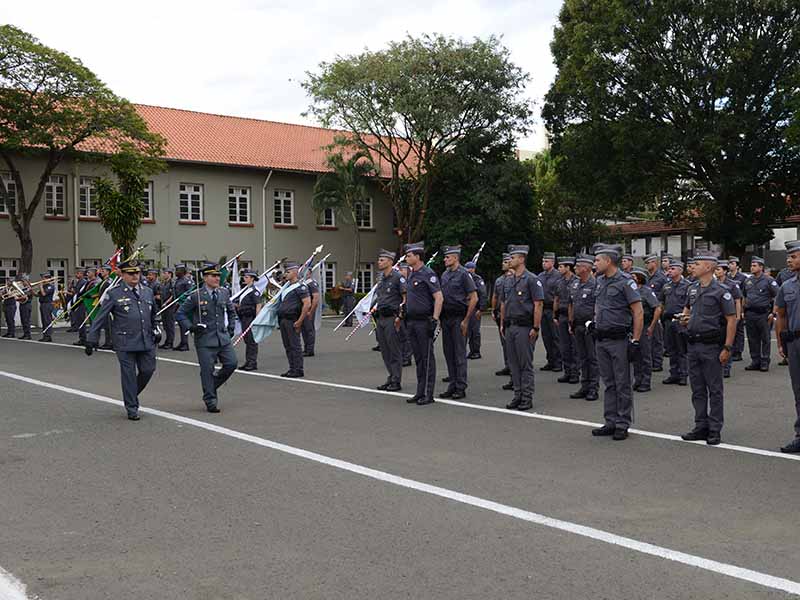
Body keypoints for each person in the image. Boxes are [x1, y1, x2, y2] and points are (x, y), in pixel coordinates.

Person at [84, 259, 158, 421]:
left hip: (146, 339)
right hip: (125, 341)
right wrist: (92, 338)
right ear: (123, 275)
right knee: (129, 375)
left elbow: (153, 315)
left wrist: (156, 329)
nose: (135, 276)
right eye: (131, 273)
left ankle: (130, 393)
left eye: (137, 273)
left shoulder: (147, 291)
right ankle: (132, 407)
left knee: (148, 370)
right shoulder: (114, 293)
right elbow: (100, 317)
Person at [678, 252, 736, 445]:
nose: (693, 266)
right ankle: (700, 425)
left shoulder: (721, 290)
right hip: (693, 344)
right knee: (697, 389)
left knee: (715, 389)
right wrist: (684, 319)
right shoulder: (692, 288)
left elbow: (731, 320)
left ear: (709, 267)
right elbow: (686, 309)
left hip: (711, 346)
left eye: (698, 263)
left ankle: (714, 428)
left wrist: (727, 347)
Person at [590, 244, 643, 441]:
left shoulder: (625, 281)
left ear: (608, 261)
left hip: (619, 339)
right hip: (601, 338)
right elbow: (598, 305)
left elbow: (638, 311)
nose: (594, 264)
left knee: (622, 383)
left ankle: (622, 423)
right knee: (609, 383)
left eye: (597, 260)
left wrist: (636, 341)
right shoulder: (600, 281)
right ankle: (610, 421)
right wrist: (594, 323)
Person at [176, 263, 238, 413]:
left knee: (231, 364)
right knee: (207, 370)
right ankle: (210, 400)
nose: (217, 278)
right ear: (205, 278)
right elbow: (180, 314)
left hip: (222, 338)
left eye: (218, 276)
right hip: (204, 339)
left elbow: (231, 311)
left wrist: (231, 328)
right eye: (213, 276)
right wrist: (191, 327)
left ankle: (211, 386)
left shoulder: (223, 292)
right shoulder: (196, 295)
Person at [500, 244, 544, 411]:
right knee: (513, 363)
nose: (510, 260)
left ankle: (526, 397)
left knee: (525, 364)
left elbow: (538, 304)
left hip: (525, 327)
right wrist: (503, 323)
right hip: (511, 326)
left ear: (522, 259)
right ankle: (517, 395)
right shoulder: (509, 280)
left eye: (513, 257)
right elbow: (504, 303)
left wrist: (536, 327)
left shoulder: (532, 279)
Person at [402, 242, 443, 406]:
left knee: (426, 358)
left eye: (409, 255)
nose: (406, 258)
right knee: (418, 358)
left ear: (418, 257)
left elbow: (439, 297)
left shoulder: (428, 274)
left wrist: (434, 319)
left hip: (423, 321)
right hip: (411, 321)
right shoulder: (411, 274)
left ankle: (428, 393)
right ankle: (420, 391)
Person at [439, 245, 477, 400]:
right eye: (445, 257)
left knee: (459, 354)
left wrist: (466, 320)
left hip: (458, 318)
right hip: (446, 318)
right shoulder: (445, 275)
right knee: (449, 353)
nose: (445, 259)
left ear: (455, 258)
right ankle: (452, 384)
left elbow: (474, 298)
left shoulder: (464, 274)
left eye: (448, 257)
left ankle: (461, 387)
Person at [775, 240, 800, 453]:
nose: (789, 260)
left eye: (793, 256)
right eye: (788, 257)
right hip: (795, 343)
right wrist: (781, 343)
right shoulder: (787, 285)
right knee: (798, 391)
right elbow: (780, 315)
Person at [370, 249, 406, 391]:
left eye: (382, 260)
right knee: (385, 350)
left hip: (392, 318)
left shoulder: (398, 277)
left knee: (394, 350)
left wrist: (400, 317)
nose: (379, 262)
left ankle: (396, 380)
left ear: (390, 262)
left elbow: (405, 298)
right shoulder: (381, 279)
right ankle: (391, 376)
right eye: (379, 260)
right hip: (381, 318)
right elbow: (381, 298)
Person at [568, 254, 599, 401]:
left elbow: (598, 307)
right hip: (578, 325)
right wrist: (571, 322)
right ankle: (584, 385)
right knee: (582, 357)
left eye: (578, 266)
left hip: (589, 327)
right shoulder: (575, 284)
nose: (575, 268)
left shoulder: (595, 285)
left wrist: (594, 323)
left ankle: (593, 387)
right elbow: (572, 304)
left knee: (592, 358)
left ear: (586, 268)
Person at [654, 260, 690, 386]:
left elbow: (690, 305)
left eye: (673, 269)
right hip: (668, 321)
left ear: (680, 270)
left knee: (682, 349)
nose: (669, 271)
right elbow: (661, 303)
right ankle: (674, 374)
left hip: (681, 320)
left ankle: (683, 374)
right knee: (671, 348)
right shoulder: (666, 286)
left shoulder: (687, 286)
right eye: (669, 269)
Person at [275, 261, 311, 378]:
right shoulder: (287, 286)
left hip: (293, 319)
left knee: (295, 346)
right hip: (284, 320)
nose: (286, 274)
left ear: (295, 272)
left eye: (288, 271)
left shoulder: (301, 287)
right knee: (288, 346)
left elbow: (307, 304)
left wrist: (300, 321)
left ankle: (298, 369)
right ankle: (292, 368)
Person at [742, 256, 778, 372]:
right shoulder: (748, 280)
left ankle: (764, 361)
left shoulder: (769, 280)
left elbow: (777, 296)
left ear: (761, 267)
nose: (751, 268)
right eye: (751, 265)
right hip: (750, 314)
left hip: (764, 314)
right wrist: (743, 311)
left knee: (765, 338)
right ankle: (755, 361)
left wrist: (773, 313)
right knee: (752, 338)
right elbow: (744, 296)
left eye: (754, 265)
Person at [632, 267, 659, 393]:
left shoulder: (646, 291)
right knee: (636, 355)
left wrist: (652, 326)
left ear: (639, 278)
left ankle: (646, 381)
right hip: (632, 326)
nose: (631, 277)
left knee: (645, 355)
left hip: (644, 325)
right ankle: (638, 379)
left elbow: (657, 308)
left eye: (633, 276)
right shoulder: (631, 290)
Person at [715, 261, 742, 378]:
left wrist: (738, 315)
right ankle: (717, 366)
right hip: (716, 318)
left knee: (727, 342)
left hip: (728, 317)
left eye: (719, 269)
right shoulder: (713, 284)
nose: (717, 271)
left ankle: (726, 367)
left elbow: (737, 300)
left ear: (725, 271)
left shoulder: (731, 284)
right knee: (716, 343)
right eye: (715, 269)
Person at [554, 256, 579, 384]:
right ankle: (567, 371)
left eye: (561, 266)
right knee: (564, 346)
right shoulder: (560, 281)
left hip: (573, 317)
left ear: (568, 267)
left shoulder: (577, 281)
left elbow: (576, 302)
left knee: (574, 346)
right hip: (562, 316)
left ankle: (575, 372)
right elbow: (556, 299)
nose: (559, 269)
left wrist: (572, 320)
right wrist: (555, 315)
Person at [235, 269, 263, 371]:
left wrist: (257, 319)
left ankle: (252, 362)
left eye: (246, 277)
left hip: (250, 318)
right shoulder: (245, 290)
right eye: (244, 277)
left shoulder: (254, 291)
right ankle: (248, 362)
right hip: (244, 318)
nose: (244, 278)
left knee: (251, 341)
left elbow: (258, 305)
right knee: (247, 340)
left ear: (252, 279)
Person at [538, 252, 562, 371]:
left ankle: (558, 361)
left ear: (552, 262)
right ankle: (550, 360)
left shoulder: (558, 276)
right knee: (546, 336)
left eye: (546, 261)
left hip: (552, 308)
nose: (544, 263)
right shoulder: (540, 276)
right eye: (543, 261)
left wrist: (556, 312)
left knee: (555, 336)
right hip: (543, 308)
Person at [644, 254, 667, 372]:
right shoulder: (646, 277)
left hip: (657, 310)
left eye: (649, 262)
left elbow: (666, 294)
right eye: (646, 263)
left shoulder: (661, 277)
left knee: (657, 338)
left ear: (655, 263)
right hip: (647, 311)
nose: (647, 265)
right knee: (648, 338)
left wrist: (662, 310)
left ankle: (657, 362)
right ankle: (651, 360)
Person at [492, 253, 513, 382]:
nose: (503, 264)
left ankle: (514, 369)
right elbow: (495, 296)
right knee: (504, 342)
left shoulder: (515, 278)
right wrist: (494, 310)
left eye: (505, 262)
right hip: (501, 314)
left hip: (513, 315)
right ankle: (508, 365)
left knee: (512, 344)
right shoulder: (499, 280)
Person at [728, 256, 748, 361]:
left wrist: (742, 311)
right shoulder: (726, 277)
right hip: (728, 306)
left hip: (738, 306)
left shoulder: (742, 278)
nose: (730, 265)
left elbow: (744, 295)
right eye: (729, 263)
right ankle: (730, 349)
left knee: (739, 331)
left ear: (737, 265)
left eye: (732, 263)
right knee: (730, 329)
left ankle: (738, 351)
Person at [465, 261, 487, 360]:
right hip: (466, 308)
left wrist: (481, 308)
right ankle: (471, 350)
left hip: (475, 308)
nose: (469, 270)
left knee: (475, 331)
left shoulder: (477, 279)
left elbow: (483, 294)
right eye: (468, 268)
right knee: (468, 330)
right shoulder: (465, 278)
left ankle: (476, 351)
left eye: (471, 268)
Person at [397, 261, 413, 366]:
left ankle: (407, 357)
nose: (400, 272)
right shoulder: (402, 281)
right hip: (403, 311)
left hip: (406, 311)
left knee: (405, 335)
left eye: (402, 270)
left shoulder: (405, 281)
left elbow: (404, 297)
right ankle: (404, 355)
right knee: (402, 335)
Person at [172, 264, 192, 351]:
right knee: (180, 324)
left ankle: (185, 344)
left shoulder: (187, 281)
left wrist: (183, 303)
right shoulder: (178, 280)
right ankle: (182, 342)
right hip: (177, 305)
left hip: (184, 306)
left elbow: (190, 293)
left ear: (182, 271)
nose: (176, 272)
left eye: (177, 270)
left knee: (183, 325)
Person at [301, 272, 321, 357]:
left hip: (309, 309)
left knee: (309, 330)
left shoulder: (311, 283)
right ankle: (306, 348)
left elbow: (315, 298)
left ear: (309, 273)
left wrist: (311, 311)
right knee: (304, 330)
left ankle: (310, 350)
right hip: (303, 309)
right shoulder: (303, 283)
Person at [36, 271, 56, 342]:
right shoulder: (44, 286)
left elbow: (44, 294)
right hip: (43, 304)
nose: (41, 279)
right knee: (44, 321)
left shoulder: (50, 286)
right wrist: (31, 289)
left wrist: (40, 286)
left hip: (47, 304)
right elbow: (38, 295)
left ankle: (48, 336)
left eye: (43, 278)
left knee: (47, 320)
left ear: (47, 278)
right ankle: (45, 335)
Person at [159, 268, 176, 350]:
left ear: (170, 274)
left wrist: (166, 303)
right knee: (165, 325)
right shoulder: (163, 283)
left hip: (169, 307)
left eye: (165, 273)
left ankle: (170, 342)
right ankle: (167, 341)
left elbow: (173, 295)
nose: (163, 274)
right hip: (163, 307)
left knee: (170, 325)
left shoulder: (172, 283)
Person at [16, 274, 33, 340]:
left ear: (27, 281)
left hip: (27, 305)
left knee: (26, 320)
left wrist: (18, 298)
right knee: (23, 320)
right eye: (22, 281)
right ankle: (25, 334)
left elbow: (25, 296)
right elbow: (21, 296)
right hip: (23, 304)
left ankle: (28, 335)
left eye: (23, 281)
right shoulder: (23, 288)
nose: (22, 282)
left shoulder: (29, 288)